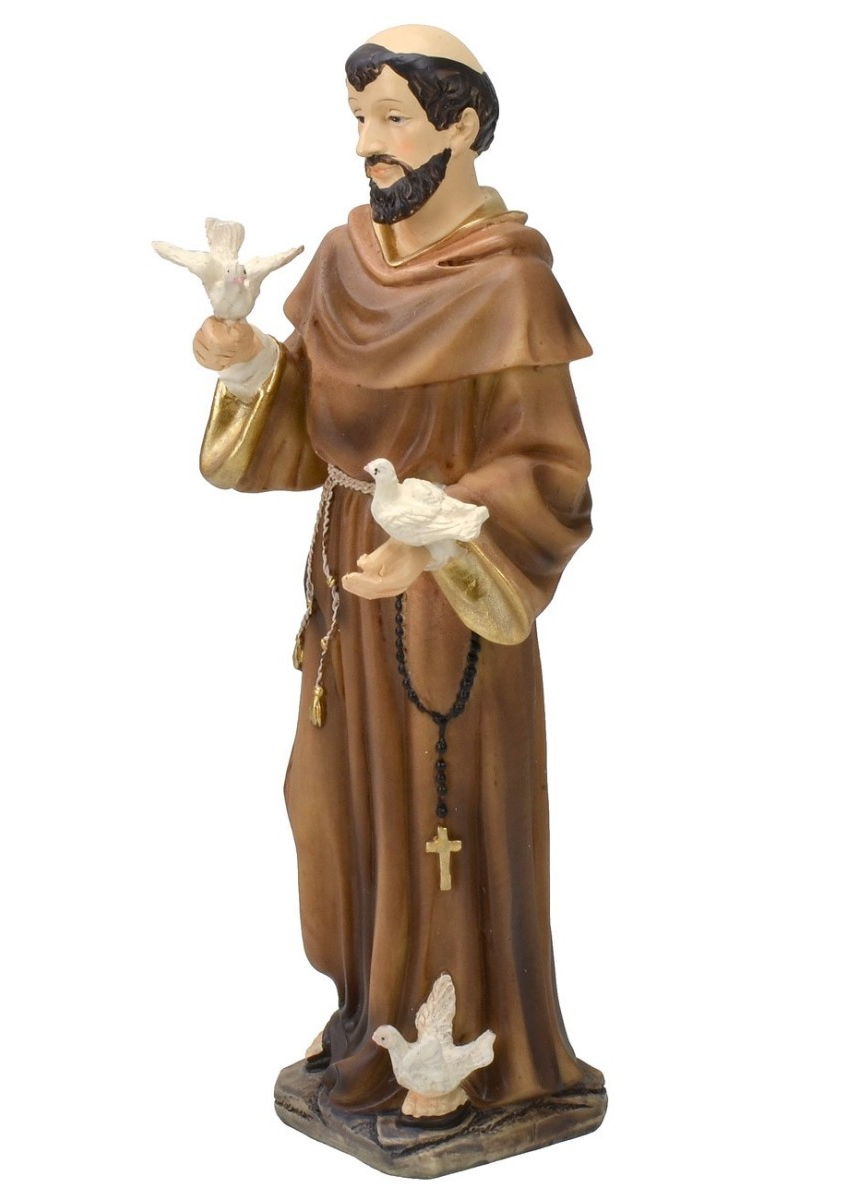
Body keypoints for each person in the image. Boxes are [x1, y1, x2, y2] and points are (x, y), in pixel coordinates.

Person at [191, 25, 604, 1129]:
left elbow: (550, 470)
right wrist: (248, 362)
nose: (367, 145)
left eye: (392, 121)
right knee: (332, 801)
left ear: (461, 126)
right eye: (359, 120)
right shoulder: (343, 259)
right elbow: (305, 424)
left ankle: (454, 1046)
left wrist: (439, 538)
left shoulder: (509, 280)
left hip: (452, 601)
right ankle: (367, 1016)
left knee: (440, 811)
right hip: (344, 584)